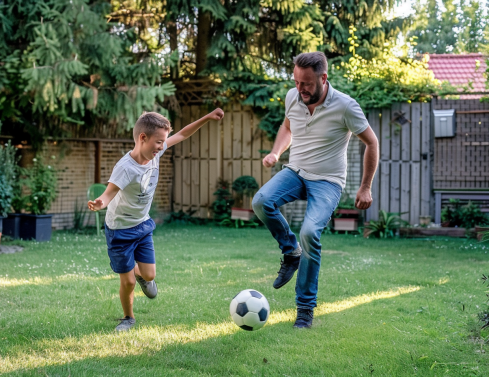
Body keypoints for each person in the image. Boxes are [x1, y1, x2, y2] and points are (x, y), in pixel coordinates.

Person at [252, 52, 379, 329]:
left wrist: (365, 186)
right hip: (295, 172)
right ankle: (290, 251)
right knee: (261, 201)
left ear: (323, 78)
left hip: (328, 181)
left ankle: (305, 308)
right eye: (297, 82)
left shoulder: (345, 106)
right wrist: (276, 152)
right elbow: (288, 127)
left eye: (307, 83)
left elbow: (372, 142)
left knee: (310, 232)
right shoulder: (292, 97)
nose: (301, 89)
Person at [88, 108, 224, 331]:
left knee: (150, 275)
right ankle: (128, 318)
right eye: (159, 142)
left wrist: (207, 117)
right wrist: (100, 203)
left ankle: (139, 272)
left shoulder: (156, 152)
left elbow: (182, 134)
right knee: (128, 281)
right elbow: (109, 193)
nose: (162, 146)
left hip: (142, 224)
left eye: (163, 142)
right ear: (143, 138)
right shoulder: (125, 167)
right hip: (120, 230)